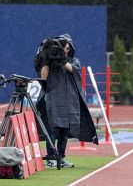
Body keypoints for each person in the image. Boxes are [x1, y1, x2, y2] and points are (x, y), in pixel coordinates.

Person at [35, 34, 98, 168]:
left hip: (69, 101)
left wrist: (61, 60)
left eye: (67, 48)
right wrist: (46, 60)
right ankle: (51, 158)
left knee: (64, 130)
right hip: (53, 100)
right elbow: (43, 77)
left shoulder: (74, 61)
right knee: (51, 129)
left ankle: (61, 157)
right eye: (63, 47)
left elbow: (72, 69)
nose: (65, 49)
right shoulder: (50, 62)